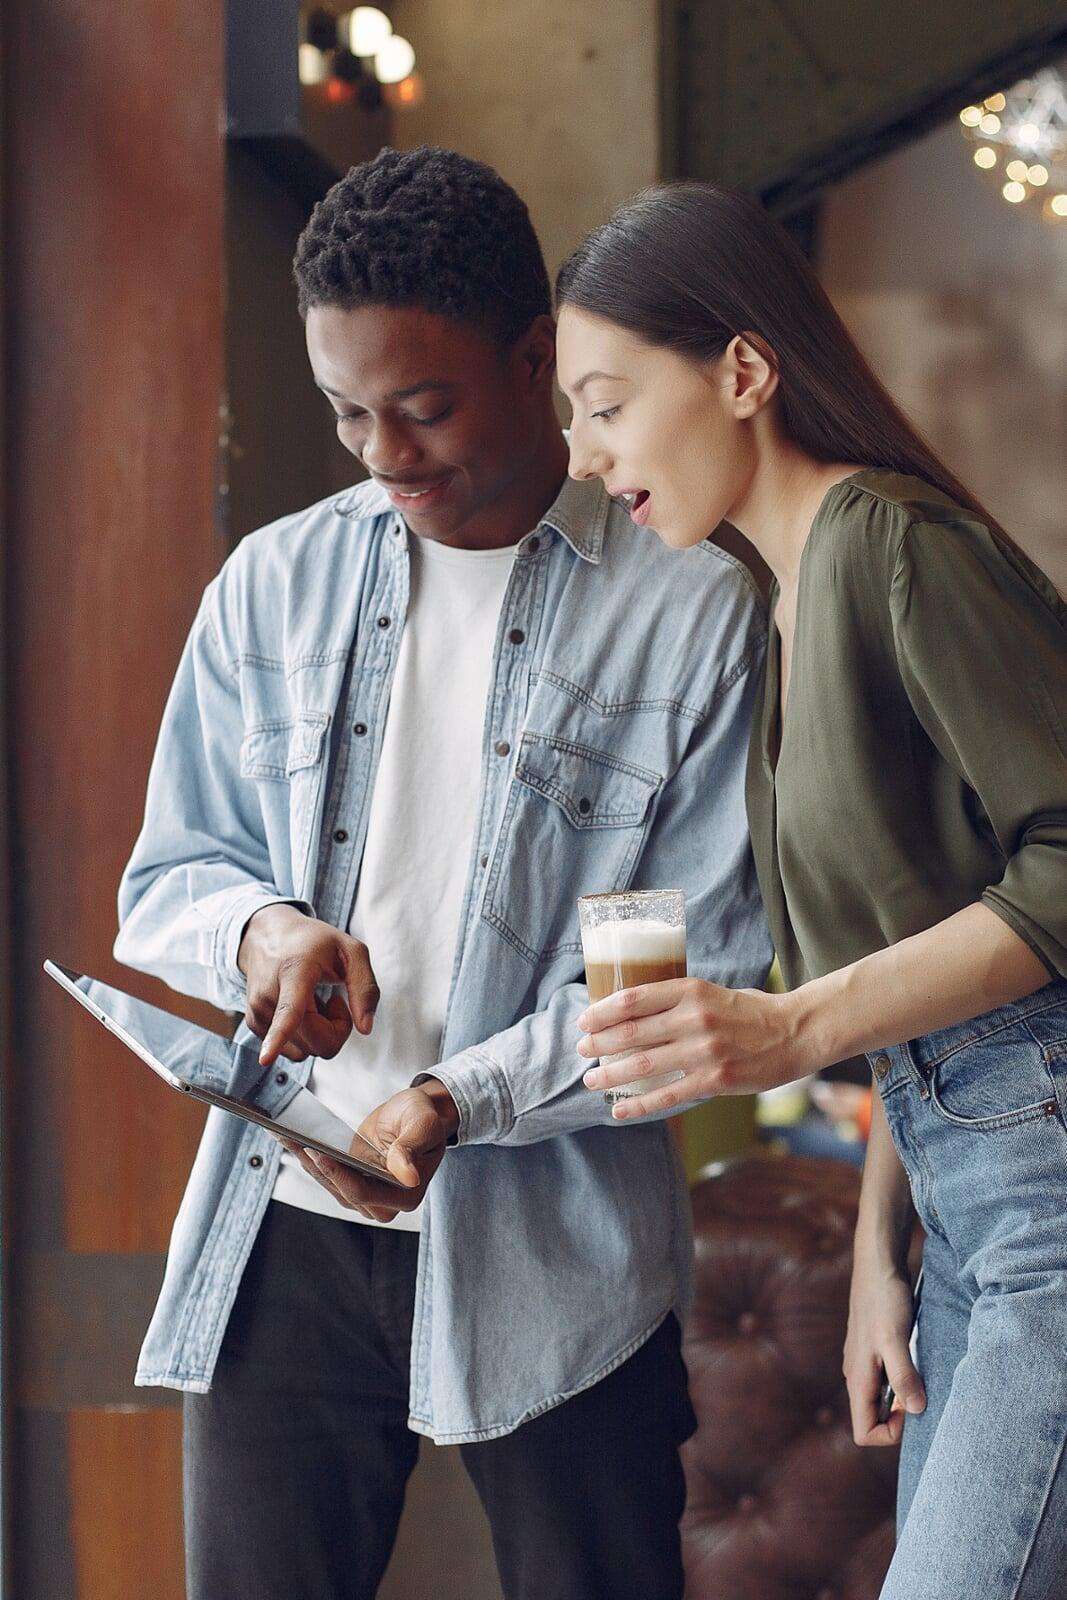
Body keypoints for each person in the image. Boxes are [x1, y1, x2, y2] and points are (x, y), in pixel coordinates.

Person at [114, 148, 773, 1600]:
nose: (383, 455)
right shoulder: (270, 583)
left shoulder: (696, 610)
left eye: (423, 406)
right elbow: (169, 876)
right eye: (346, 411)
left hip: (562, 1246)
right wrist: (264, 932)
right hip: (280, 1228)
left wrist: (453, 1099)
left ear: (535, 354)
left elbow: (685, 964)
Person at [554, 180, 1067, 1599]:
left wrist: (787, 1032)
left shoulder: (895, 549)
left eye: (604, 403)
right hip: (971, 1201)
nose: (585, 455)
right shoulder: (785, 602)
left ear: (742, 369)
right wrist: (878, 1256)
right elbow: (940, 951)